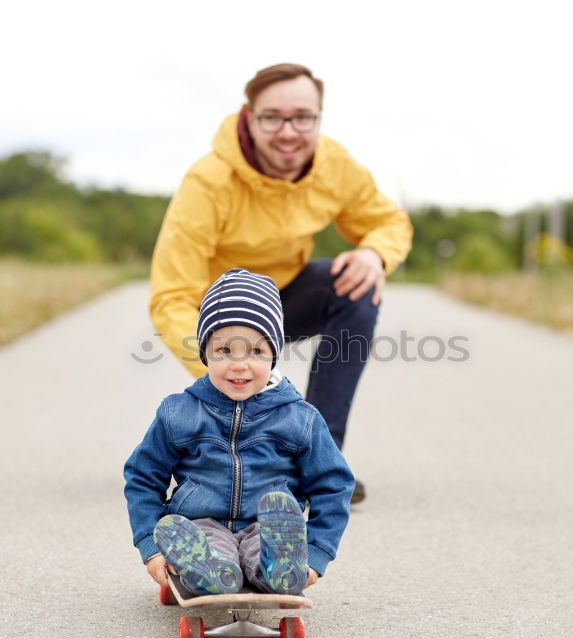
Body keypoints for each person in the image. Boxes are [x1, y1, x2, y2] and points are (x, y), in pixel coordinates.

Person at [149, 63, 413, 505]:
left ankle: (318, 459)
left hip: (287, 294)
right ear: (249, 117)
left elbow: (388, 220)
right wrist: (221, 365)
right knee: (237, 389)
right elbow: (172, 297)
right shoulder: (209, 182)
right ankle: (226, 461)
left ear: (318, 118)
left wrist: (374, 253)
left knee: (358, 285)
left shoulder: (334, 164)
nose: (288, 131)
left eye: (303, 117)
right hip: (222, 314)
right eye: (272, 117)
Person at [125, 269, 356, 595]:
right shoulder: (179, 412)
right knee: (211, 552)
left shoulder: (300, 418)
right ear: (204, 352)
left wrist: (317, 553)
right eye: (224, 351)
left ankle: (282, 566)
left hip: (267, 527)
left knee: (268, 557)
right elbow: (143, 478)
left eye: (256, 352)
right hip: (200, 524)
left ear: (274, 355)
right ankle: (208, 571)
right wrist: (151, 544)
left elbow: (333, 484)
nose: (239, 364)